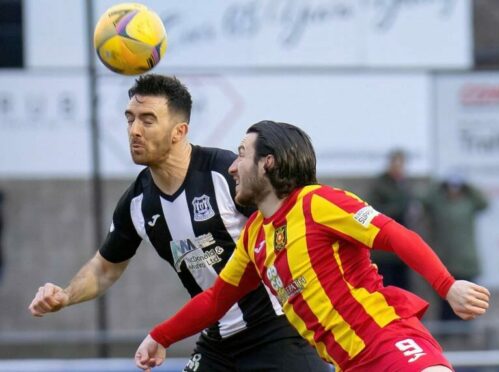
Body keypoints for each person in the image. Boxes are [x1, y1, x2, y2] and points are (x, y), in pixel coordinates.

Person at [134, 120, 491, 372]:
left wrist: (448, 285)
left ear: (268, 162)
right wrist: (160, 336)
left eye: (241, 154)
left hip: (387, 341)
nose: (232, 167)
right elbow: (215, 300)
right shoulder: (255, 236)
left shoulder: (316, 203)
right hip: (348, 364)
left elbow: (395, 235)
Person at [28, 76, 328, 372]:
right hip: (217, 342)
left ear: (179, 131)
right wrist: (66, 295)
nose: (134, 130)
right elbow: (105, 268)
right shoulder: (137, 202)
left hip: (279, 334)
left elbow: (292, 227)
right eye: (130, 118)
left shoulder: (227, 174)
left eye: (147, 120)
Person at [421, 174, 489, 323]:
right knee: (445, 303)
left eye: (457, 187)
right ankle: (447, 335)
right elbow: (425, 201)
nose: (454, 191)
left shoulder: (468, 203)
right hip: (445, 261)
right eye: (450, 187)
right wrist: (438, 186)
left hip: (466, 262)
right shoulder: (440, 204)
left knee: (468, 302)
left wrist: (468, 186)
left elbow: (484, 203)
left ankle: (465, 336)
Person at [367, 149, 416, 290]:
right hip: (385, 250)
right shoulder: (380, 184)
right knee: (386, 288)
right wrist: (400, 207)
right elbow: (374, 211)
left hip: (402, 248)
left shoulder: (405, 184)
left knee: (404, 288)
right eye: (396, 163)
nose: (399, 168)